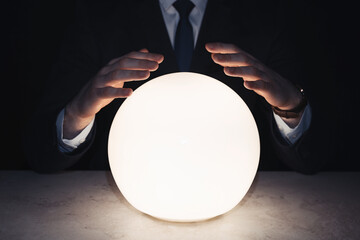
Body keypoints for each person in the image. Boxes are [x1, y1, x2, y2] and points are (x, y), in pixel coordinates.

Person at [24, 0, 333, 173]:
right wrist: (77, 113)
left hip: (233, 197)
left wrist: (292, 108)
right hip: (129, 198)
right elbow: (40, 155)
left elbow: (318, 157)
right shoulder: (97, 16)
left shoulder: (268, 17)